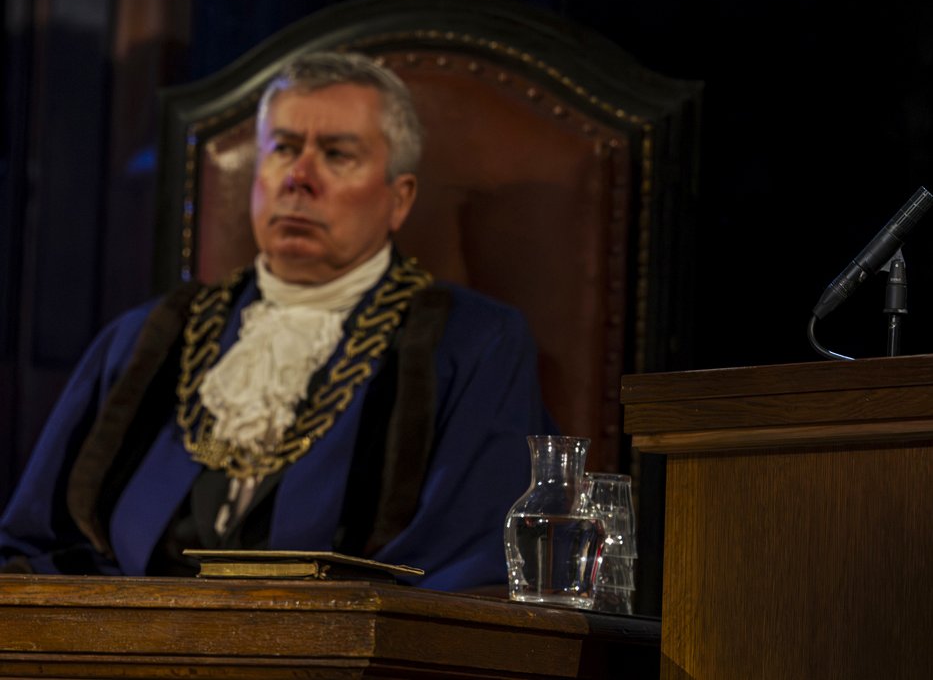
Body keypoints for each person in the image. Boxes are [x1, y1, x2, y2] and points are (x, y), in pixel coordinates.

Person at [0, 51, 552, 589]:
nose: (300, 177)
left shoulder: (472, 346)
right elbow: (33, 548)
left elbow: (465, 565)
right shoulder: (145, 339)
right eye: (284, 148)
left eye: (337, 154)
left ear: (398, 199)